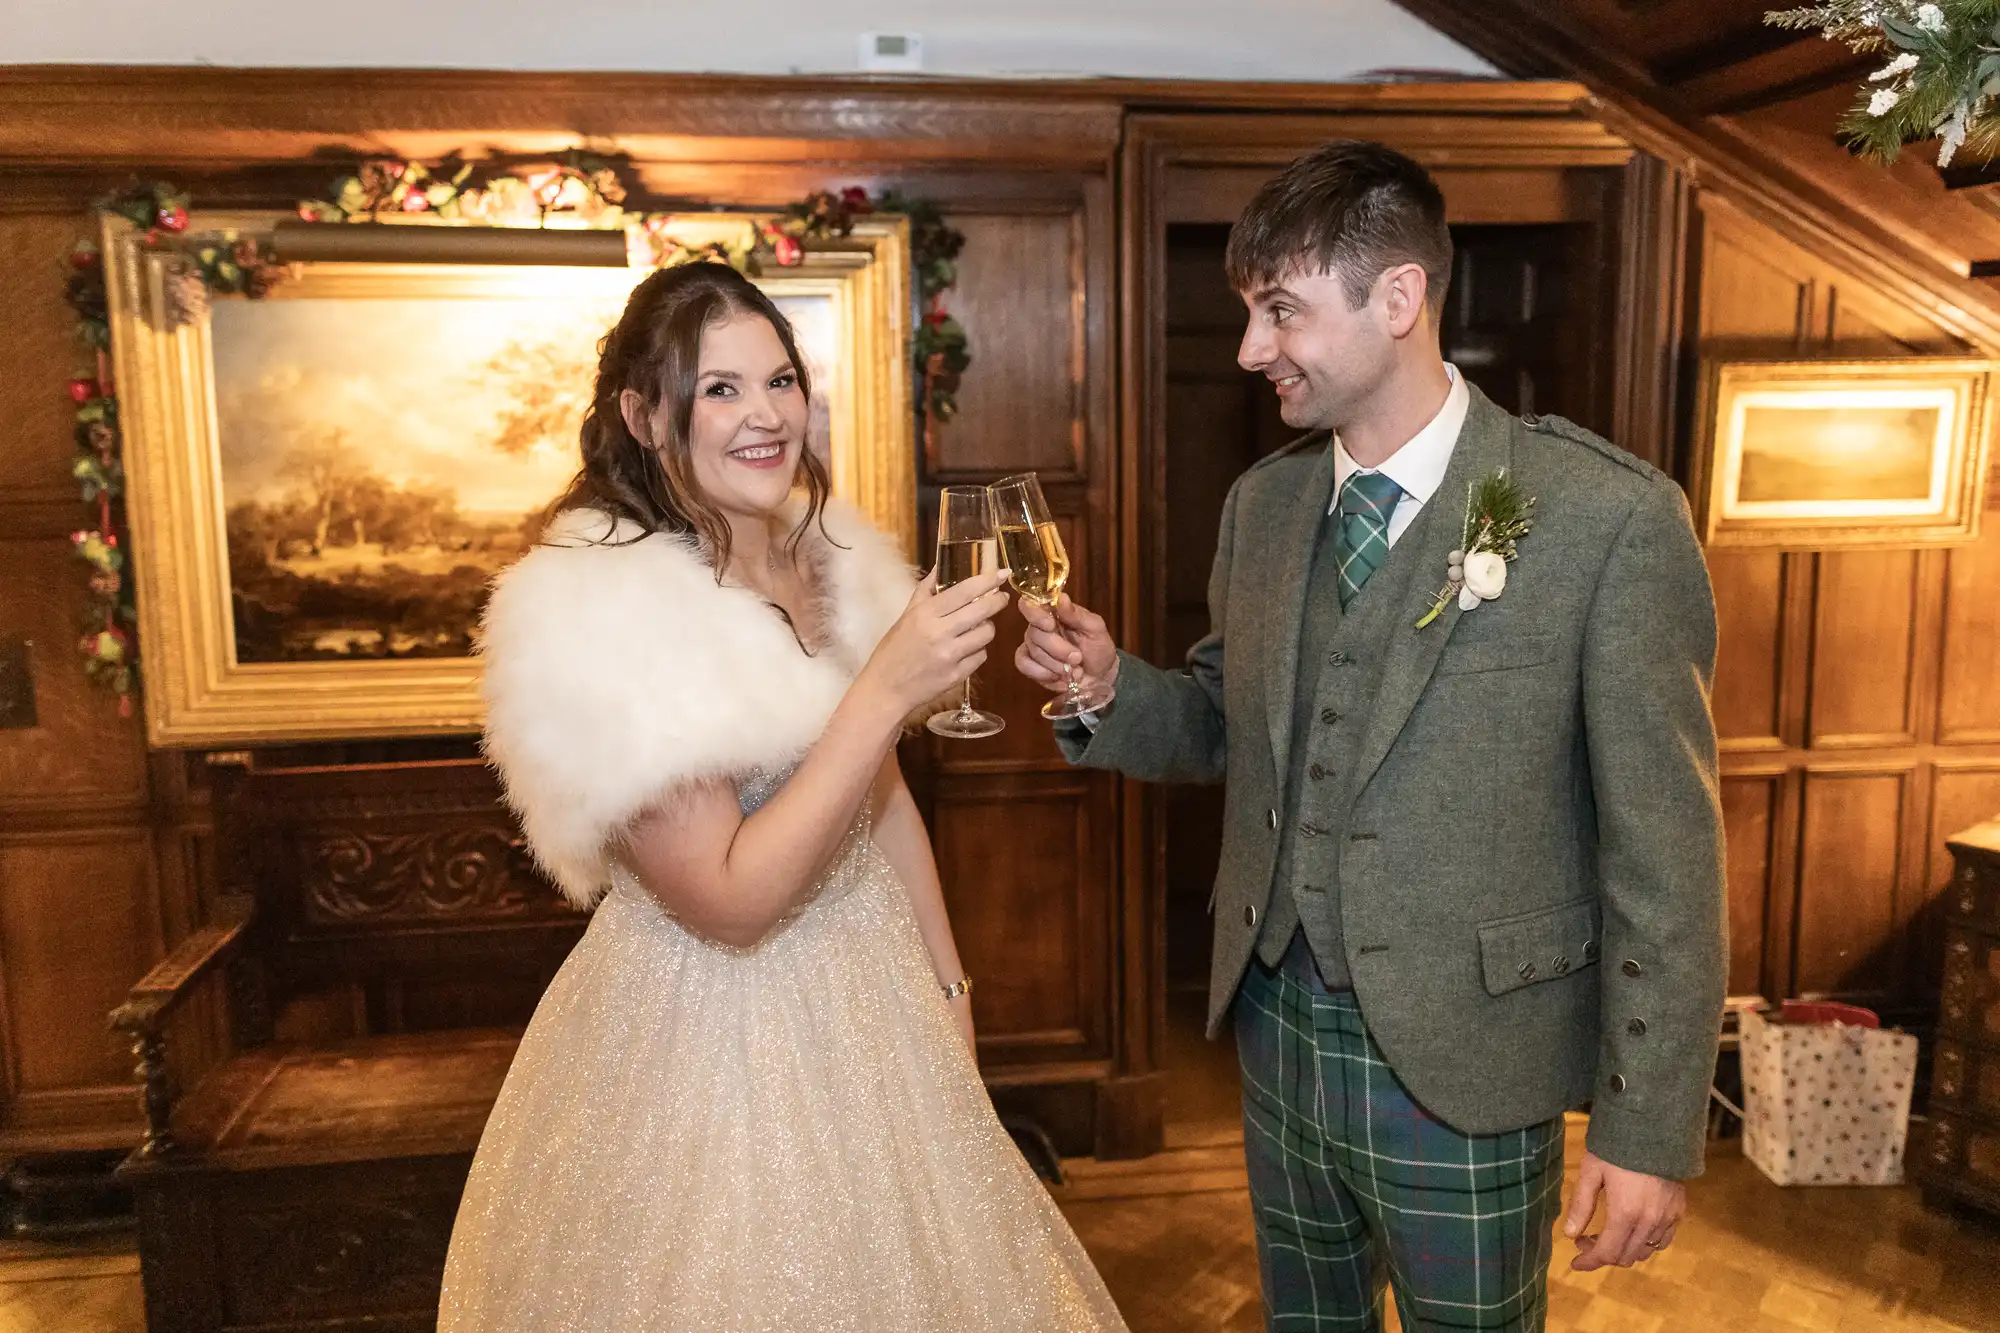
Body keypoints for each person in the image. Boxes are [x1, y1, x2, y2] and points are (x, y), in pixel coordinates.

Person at [1015, 140, 1726, 1332]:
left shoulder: (1607, 519)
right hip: (1276, 1038)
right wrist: (1103, 687)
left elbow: (1666, 854)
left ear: (1396, 298)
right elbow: (1220, 724)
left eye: (1278, 311)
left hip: (1472, 1063)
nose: (1251, 350)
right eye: (1249, 314)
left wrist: (1645, 1127)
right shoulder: (1265, 503)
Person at [443, 261, 1128, 1333]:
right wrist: (882, 690)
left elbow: (883, 800)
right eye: (717, 389)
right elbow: (728, 903)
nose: (763, 416)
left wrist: (951, 996)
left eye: (778, 381)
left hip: (877, 1006)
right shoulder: (602, 613)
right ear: (640, 415)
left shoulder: (826, 553)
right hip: (709, 1046)